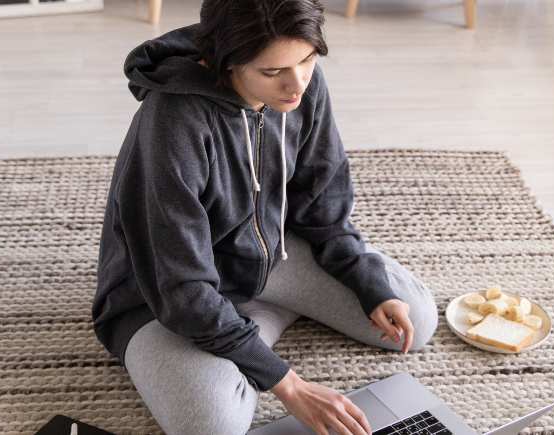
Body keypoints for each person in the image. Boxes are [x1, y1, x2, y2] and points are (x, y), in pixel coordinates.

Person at [91, 0, 439, 433]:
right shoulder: (171, 122)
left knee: (416, 320)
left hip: (270, 256)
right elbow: (180, 286)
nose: (296, 86)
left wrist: (364, 279)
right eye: (272, 73)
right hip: (165, 296)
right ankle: (246, 331)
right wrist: (286, 383)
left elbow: (323, 201)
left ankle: (248, 326)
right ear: (225, 63)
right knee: (211, 426)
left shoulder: (298, 77)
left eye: (308, 60)